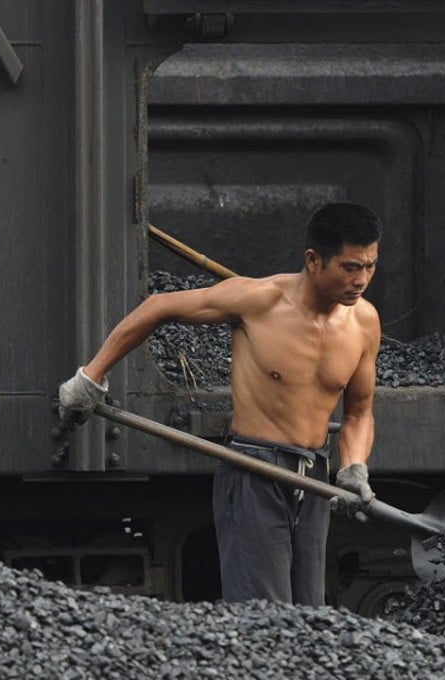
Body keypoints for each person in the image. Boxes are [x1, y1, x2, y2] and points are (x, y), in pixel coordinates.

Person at [58, 201, 382, 606]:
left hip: (313, 478)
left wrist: (354, 467)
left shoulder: (364, 322)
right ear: (314, 260)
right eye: (350, 267)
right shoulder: (260, 301)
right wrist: (91, 377)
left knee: (310, 615)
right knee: (263, 614)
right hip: (255, 471)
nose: (362, 279)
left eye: (370, 266)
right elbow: (158, 307)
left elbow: (359, 413)